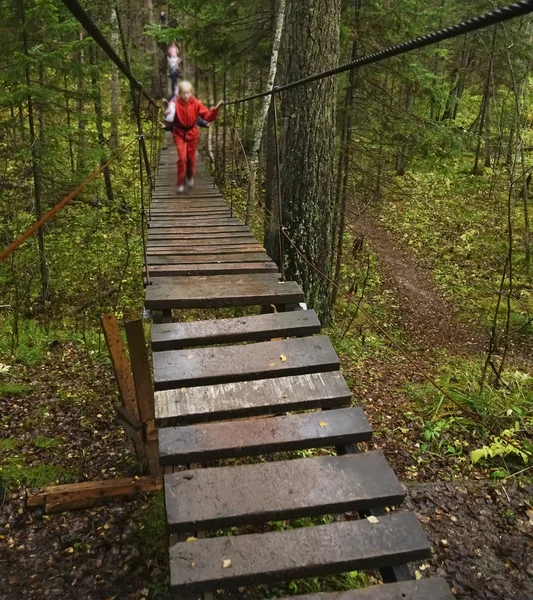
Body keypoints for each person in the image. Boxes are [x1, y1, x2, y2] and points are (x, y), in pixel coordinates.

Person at [163, 81, 223, 194]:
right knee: (182, 158)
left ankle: (190, 175)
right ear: (179, 94)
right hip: (179, 133)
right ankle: (180, 182)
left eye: (188, 93)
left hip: (192, 133)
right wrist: (167, 114)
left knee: (191, 159)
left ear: (191, 93)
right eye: (183, 93)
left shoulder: (196, 103)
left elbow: (208, 116)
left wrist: (215, 110)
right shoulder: (174, 105)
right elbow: (169, 119)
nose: (186, 96)